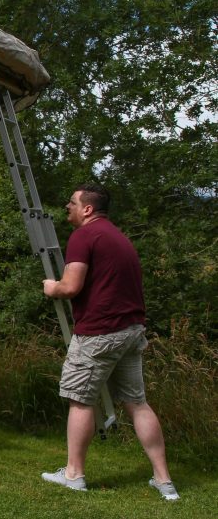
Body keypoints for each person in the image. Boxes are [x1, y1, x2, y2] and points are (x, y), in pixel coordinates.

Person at [41, 184, 179, 500]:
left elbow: (71, 286)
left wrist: (53, 288)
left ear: (88, 209)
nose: (67, 206)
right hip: (131, 331)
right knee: (137, 402)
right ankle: (164, 480)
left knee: (80, 399)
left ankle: (74, 475)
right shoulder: (118, 237)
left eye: (72, 202)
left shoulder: (84, 236)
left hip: (99, 334)